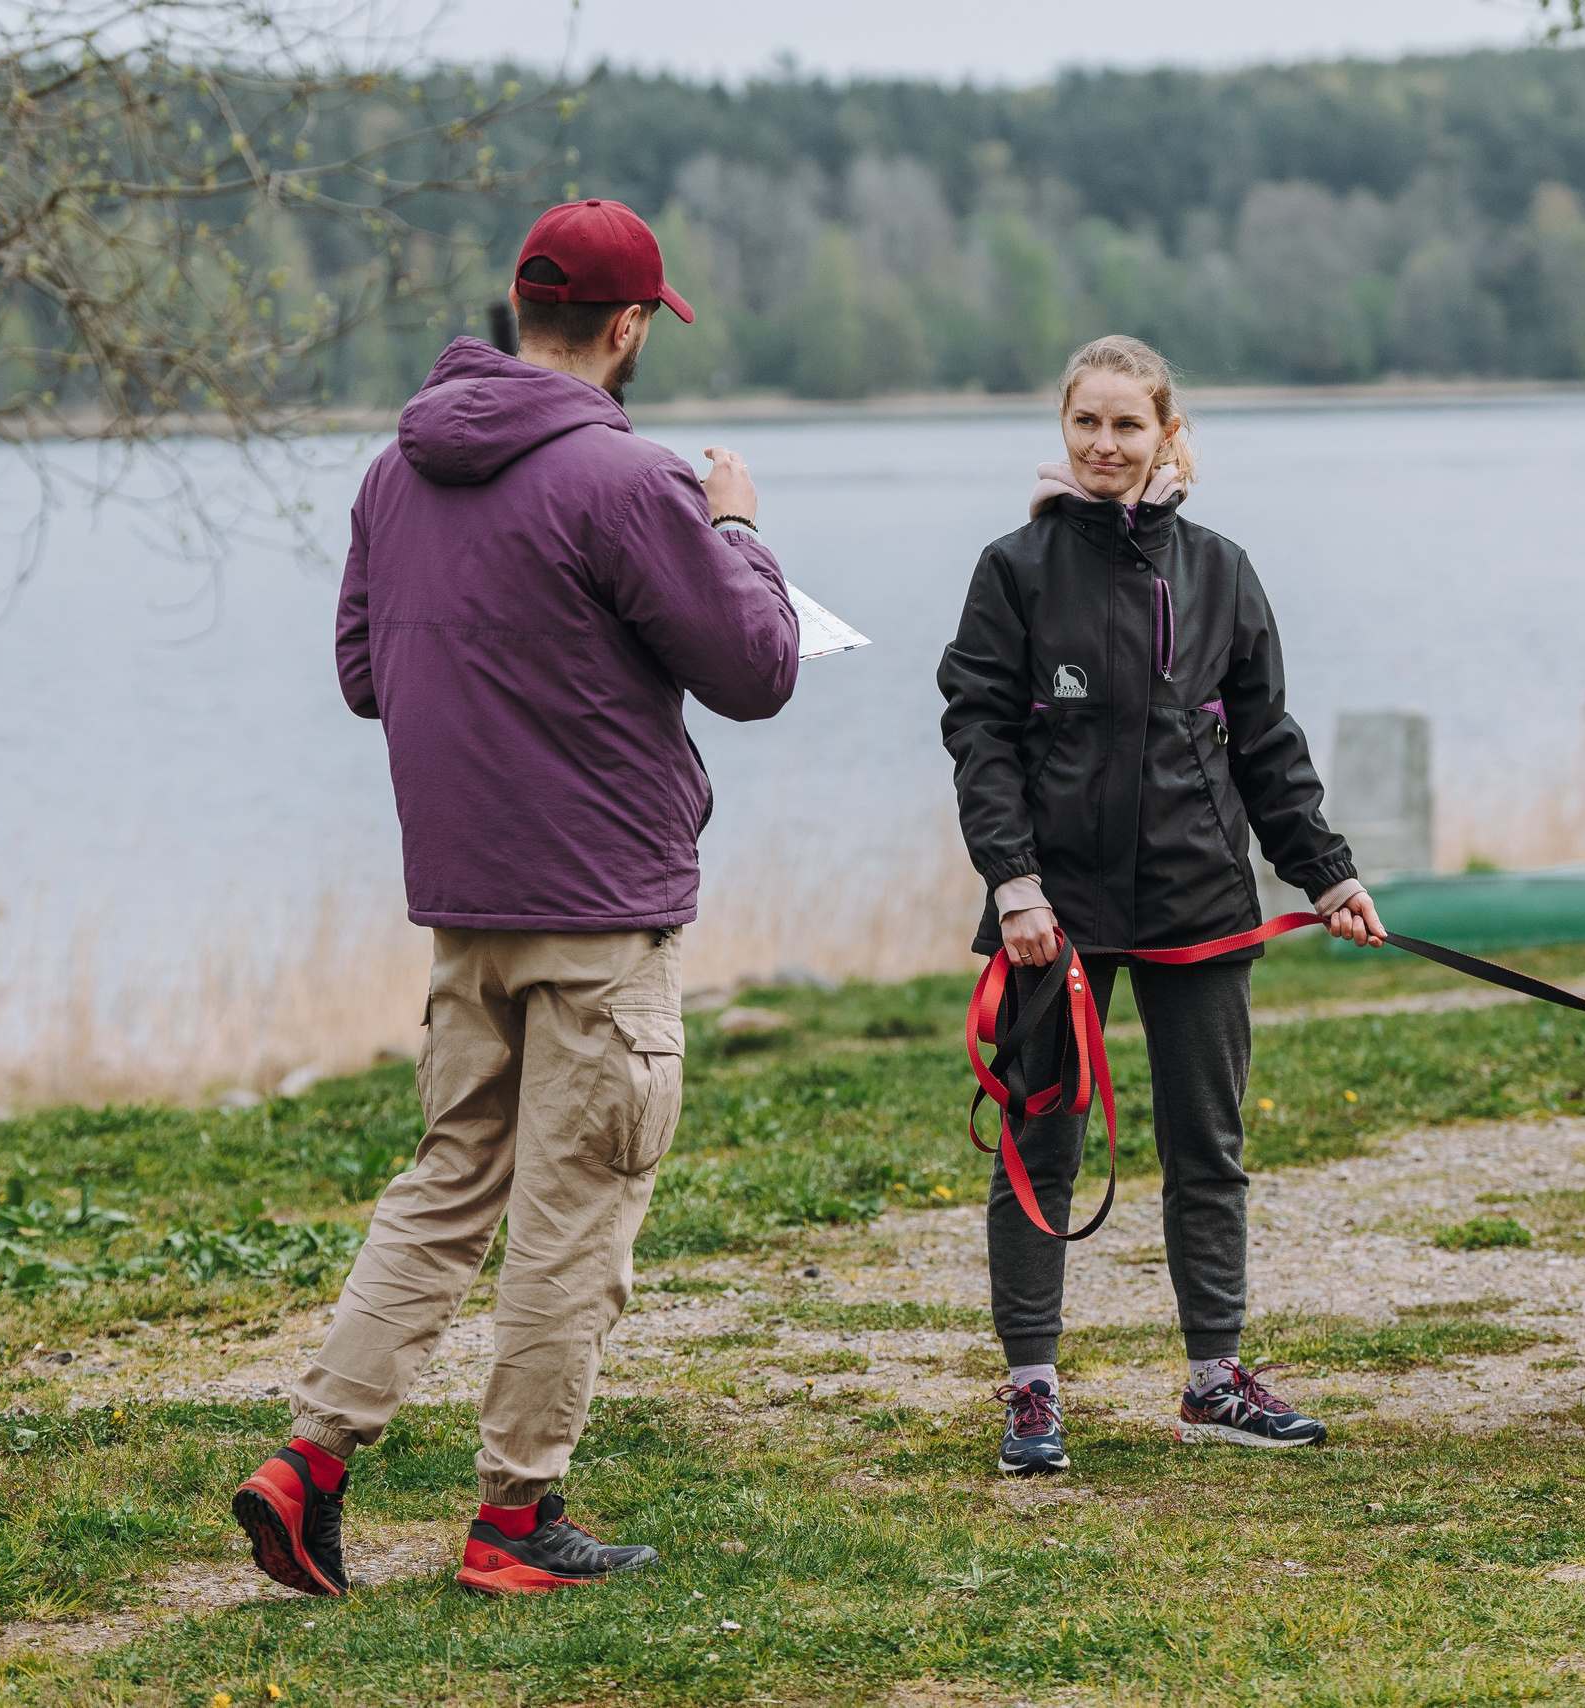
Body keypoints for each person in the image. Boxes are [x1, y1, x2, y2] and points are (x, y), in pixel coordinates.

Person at [232, 198, 799, 1596]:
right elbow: (758, 669)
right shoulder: (629, 482)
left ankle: (309, 1463)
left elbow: (370, 676)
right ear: (624, 328)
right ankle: (514, 1524)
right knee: (573, 1222)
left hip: (466, 911)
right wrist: (735, 531)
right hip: (602, 917)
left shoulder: (393, 476)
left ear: (515, 312)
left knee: (443, 1192)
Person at [938, 334, 1385, 1477]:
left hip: (1199, 899)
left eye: (1126, 424)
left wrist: (1324, 869)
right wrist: (1013, 881)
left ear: (1164, 433)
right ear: (1063, 430)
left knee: (1209, 1148)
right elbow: (979, 734)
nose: (1104, 444)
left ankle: (1212, 1378)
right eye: (1086, 422)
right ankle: (1033, 1392)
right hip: (1057, 915)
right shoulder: (1015, 569)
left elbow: (1267, 744)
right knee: (1041, 1145)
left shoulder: (1222, 570)